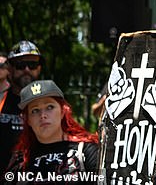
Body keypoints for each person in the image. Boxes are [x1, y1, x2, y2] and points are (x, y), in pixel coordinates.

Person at [3, 80, 99, 184]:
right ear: (27, 119)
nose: (43, 115)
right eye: (35, 110)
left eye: (50, 107)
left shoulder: (85, 152)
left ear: (63, 112)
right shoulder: (21, 160)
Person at [0, 41, 43, 173]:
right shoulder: (1, 100)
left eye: (32, 65)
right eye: (20, 65)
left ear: (39, 68)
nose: (27, 70)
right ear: (10, 69)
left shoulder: (50, 104)